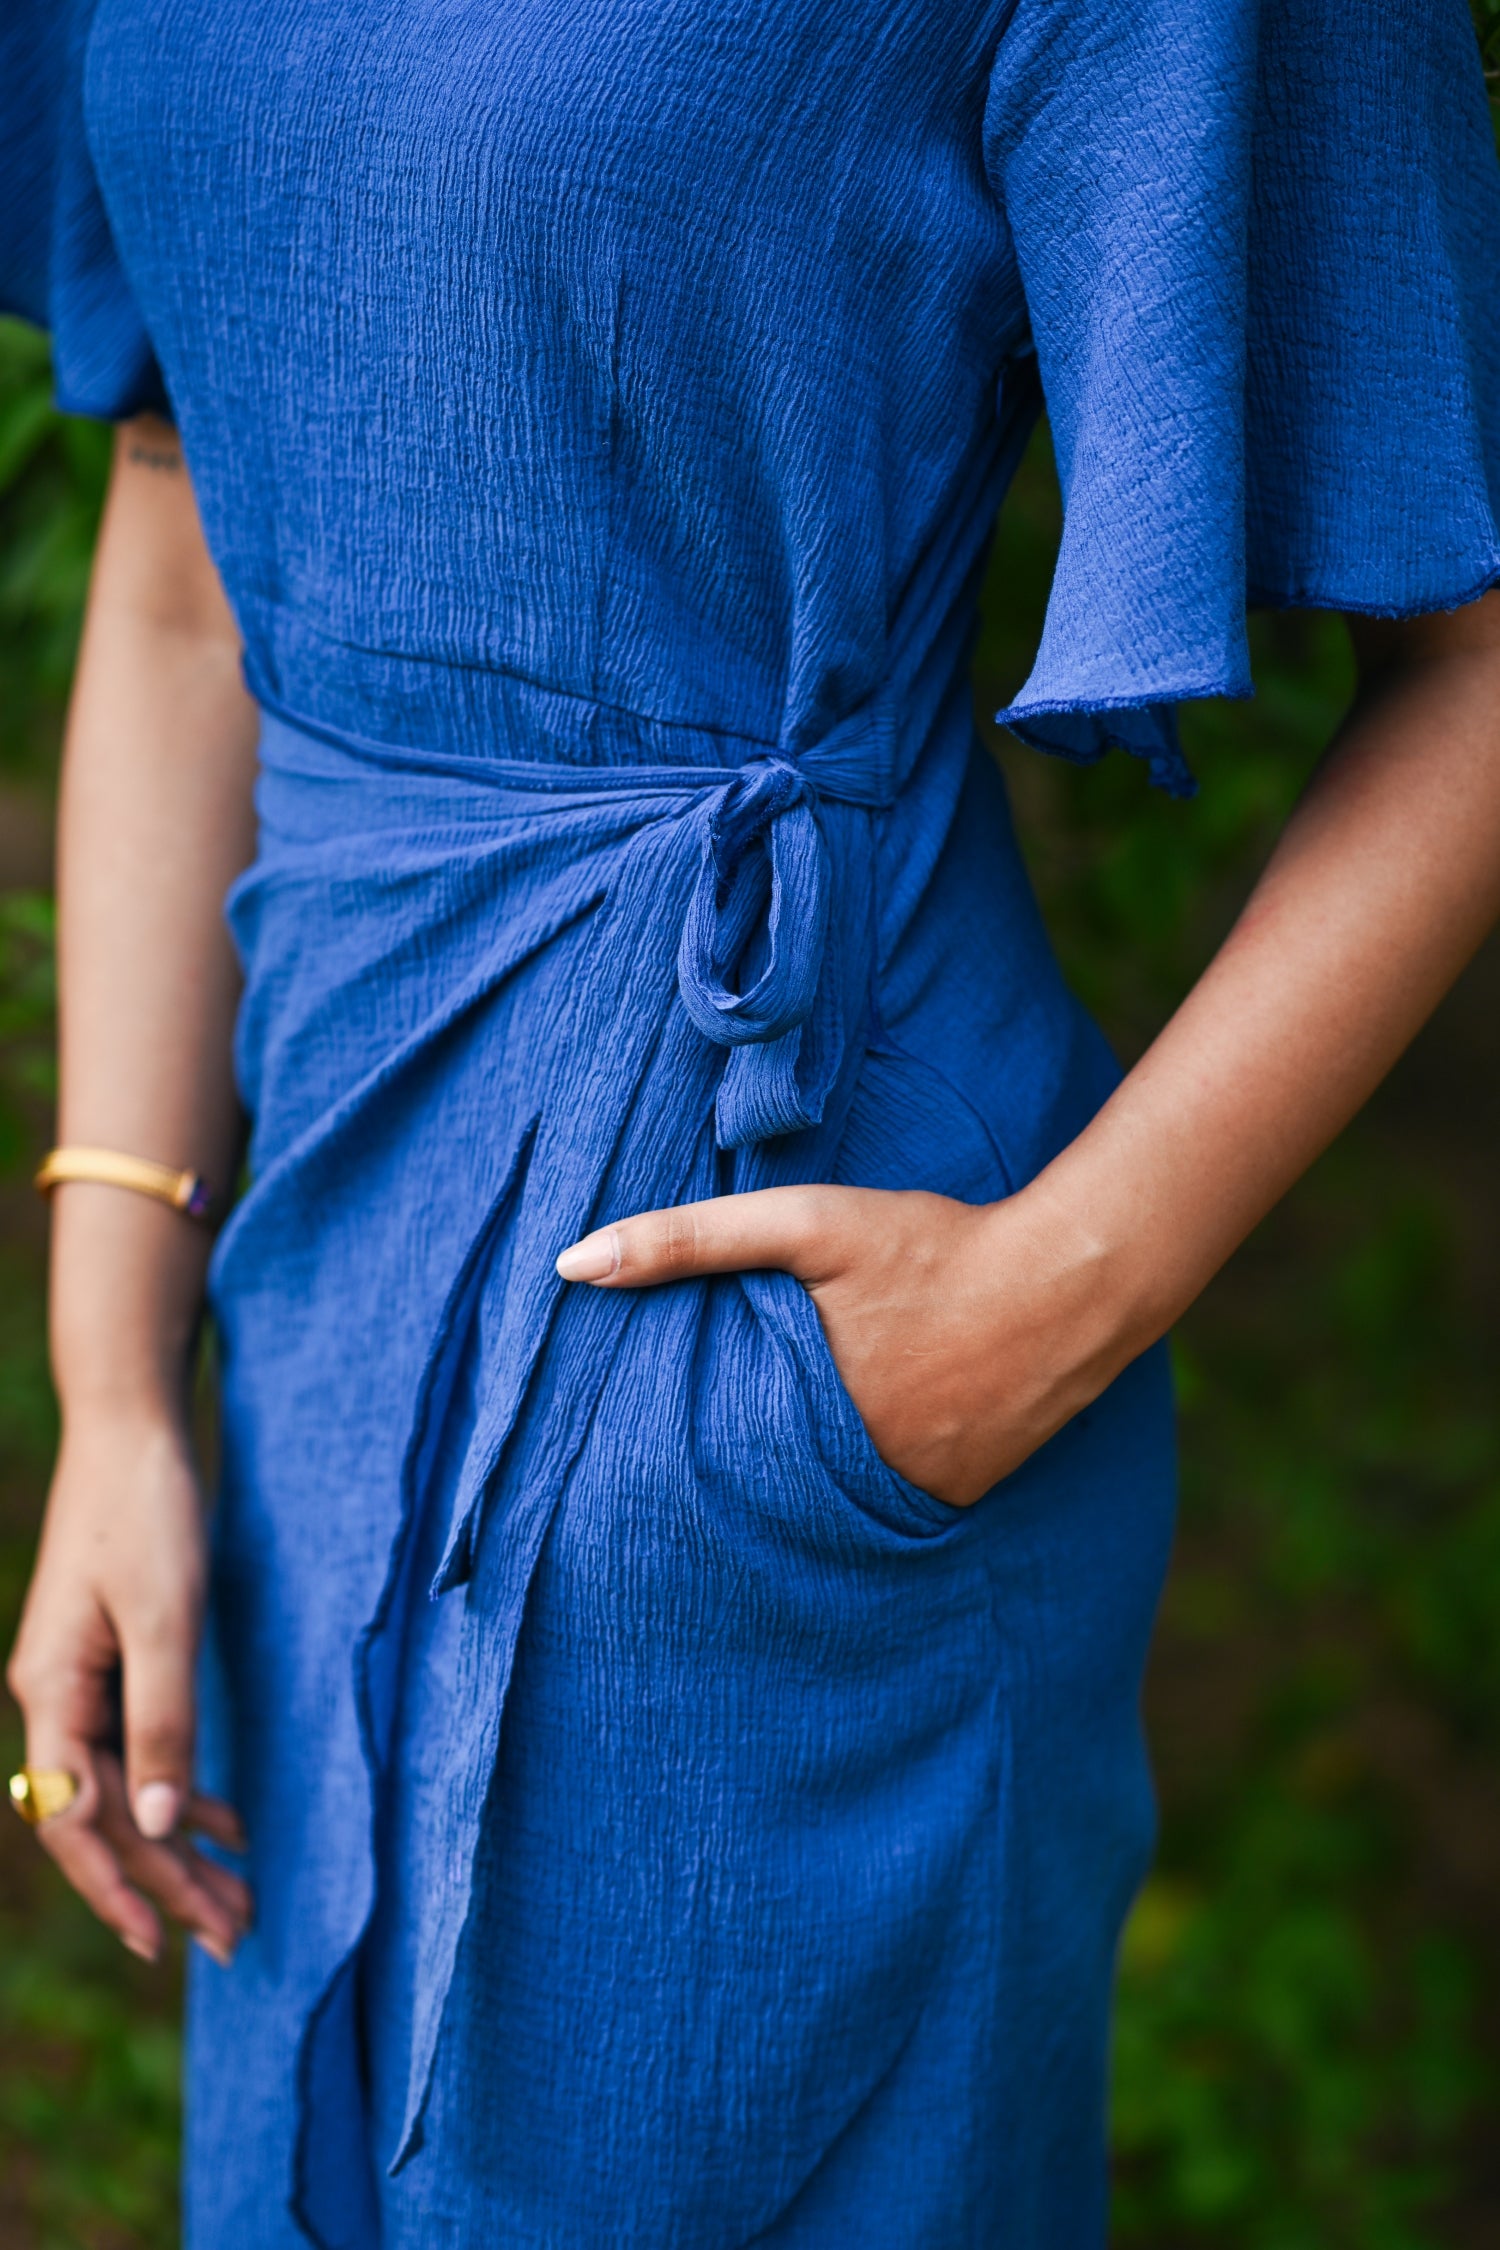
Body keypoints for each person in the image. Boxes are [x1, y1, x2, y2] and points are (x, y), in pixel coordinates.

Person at [3, 0, 1500, 2242]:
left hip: (788, 1318)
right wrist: (116, 1383)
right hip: (313, 1347)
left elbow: (1475, 669)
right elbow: (177, 542)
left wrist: (1043, 1303)